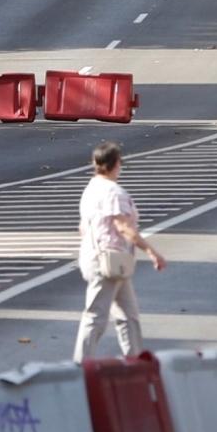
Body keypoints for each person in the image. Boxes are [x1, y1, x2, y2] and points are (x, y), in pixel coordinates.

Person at [74, 141, 167, 361]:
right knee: (95, 316)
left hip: (109, 260)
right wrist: (152, 252)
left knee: (128, 315)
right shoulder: (113, 192)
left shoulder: (91, 188)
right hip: (108, 260)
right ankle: (80, 365)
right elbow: (124, 227)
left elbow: (82, 227)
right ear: (116, 163)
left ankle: (135, 359)